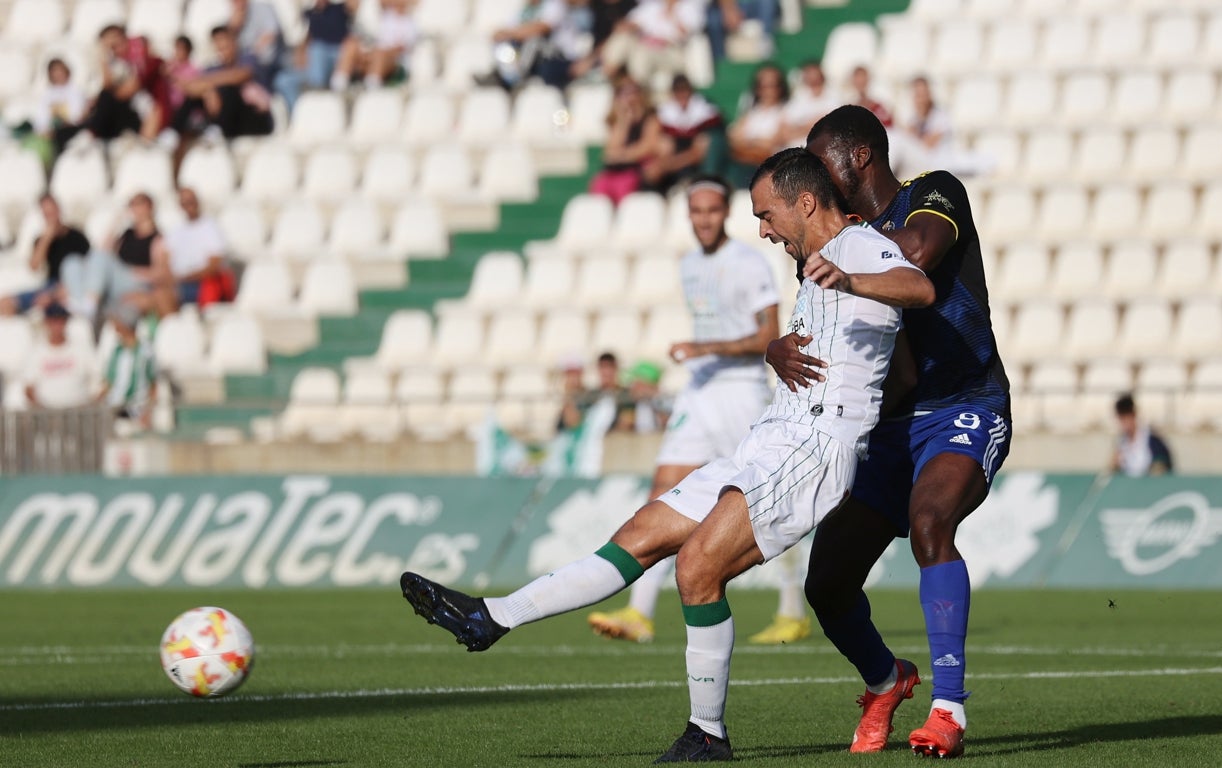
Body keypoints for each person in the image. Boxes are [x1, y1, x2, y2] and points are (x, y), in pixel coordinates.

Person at [398, 147, 935, 761]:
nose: (761, 228)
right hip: (769, 437)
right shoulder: (810, 263)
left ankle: (708, 734)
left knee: (698, 570)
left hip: (813, 448)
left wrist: (855, 292)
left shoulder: (860, 248)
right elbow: (861, 356)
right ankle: (491, 618)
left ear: (805, 202)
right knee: (643, 531)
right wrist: (775, 352)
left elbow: (917, 286)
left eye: (766, 214)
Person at [768, 105, 1012, 758]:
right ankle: (886, 680)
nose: (813, 178)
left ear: (859, 159)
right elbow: (873, 357)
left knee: (931, 523)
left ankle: (948, 711)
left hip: (966, 403)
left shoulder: (932, 192)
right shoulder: (832, 247)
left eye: (823, 163)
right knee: (828, 586)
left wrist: (847, 251)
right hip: (893, 422)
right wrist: (780, 351)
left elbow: (925, 253)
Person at [586, 175, 785, 645]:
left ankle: (793, 607)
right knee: (663, 490)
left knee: (765, 498)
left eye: (712, 210)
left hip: (740, 390)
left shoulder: (749, 263)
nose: (704, 219)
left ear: (726, 212)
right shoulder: (689, 264)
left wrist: (704, 347)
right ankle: (640, 612)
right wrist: (699, 355)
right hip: (700, 391)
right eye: (696, 212)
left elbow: (768, 338)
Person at [59, 192, 163, 320]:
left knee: (100, 258)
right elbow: (101, 250)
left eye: (138, 204)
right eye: (132, 205)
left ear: (149, 207)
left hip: (135, 280)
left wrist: (134, 271)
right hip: (116, 277)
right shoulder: (127, 234)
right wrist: (116, 223)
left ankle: (89, 302)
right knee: (72, 262)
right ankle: (81, 302)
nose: (134, 209)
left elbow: (160, 273)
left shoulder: (157, 238)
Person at [171, 26, 275, 141]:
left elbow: (240, 75)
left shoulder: (249, 58)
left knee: (228, 89)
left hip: (254, 117)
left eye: (224, 41)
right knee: (195, 97)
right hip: (228, 119)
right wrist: (209, 91)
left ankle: (216, 128)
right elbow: (191, 87)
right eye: (217, 42)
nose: (221, 46)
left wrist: (208, 85)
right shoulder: (213, 67)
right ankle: (174, 133)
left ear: (234, 41)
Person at [0, 195, 90, 316]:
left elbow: (90, 267)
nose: (50, 217)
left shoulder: (76, 236)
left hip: (71, 286)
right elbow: (34, 267)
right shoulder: (41, 239)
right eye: (46, 214)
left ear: (58, 210)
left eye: (52, 212)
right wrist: (47, 238)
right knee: (5, 303)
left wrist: (56, 293)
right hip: (49, 286)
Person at [156, 188, 234, 313]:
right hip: (179, 283)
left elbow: (214, 265)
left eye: (191, 201)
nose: (189, 205)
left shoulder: (210, 227)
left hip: (200, 284)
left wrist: (183, 278)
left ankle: (175, 328)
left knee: (161, 296)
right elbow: (165, 261)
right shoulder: (176, 231)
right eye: (185, 202)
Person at [644, 73, 724, 193]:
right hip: (673, 159)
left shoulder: (706, 111)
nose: (682, 94)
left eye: (685, 90)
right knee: (663, 146)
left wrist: (667, 165)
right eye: (678, 90)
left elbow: (698, 152)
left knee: (704, 142)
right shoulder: (664, 112)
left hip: (693, 163)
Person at [588, 75, 662, 204]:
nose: (629, 97)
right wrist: (624, 121)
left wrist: (622, 156)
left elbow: (648, 146)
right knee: (599, 185)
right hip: (617, 169)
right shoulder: (617, 121)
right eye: (623, 92)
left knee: (625, 187)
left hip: (636, 168)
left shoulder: (650, 118)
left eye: (632, 91)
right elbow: (611, 148)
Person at [600, 0, 708, 85]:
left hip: (673, 51)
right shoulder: (653, 6)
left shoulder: (690, 8)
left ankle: (634, 89)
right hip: (645, 43)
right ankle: (605, 76)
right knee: (623, 38)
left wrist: (672, 15)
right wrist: (631, 29)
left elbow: (686, 34)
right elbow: (629, 24)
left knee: (642, 54)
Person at [276, 0, 356, 108]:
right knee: (283, 80)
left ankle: (317, 93)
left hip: (335, 61)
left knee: (318, 49)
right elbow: (302, 42)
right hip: (312, 66)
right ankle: (297, 112)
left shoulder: (339, 9)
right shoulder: (308, 14)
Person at [22, 303, 97, 410]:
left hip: (78, 411)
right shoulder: (37, 351)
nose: (58, 325)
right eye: (54, 321)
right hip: (47, 413)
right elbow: (28, 387)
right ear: (46, 323)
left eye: (61, 321)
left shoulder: (81, 348)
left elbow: (98, 378)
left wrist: (91, 403)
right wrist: (41, 408)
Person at [726, 63, 789, 188]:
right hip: (745, 162)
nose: (767, 90)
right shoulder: (752, 113)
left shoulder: (786, 110)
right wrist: (756, 142)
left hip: (770, 165)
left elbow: (774, 142)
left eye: (772, 86)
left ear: (780, 87)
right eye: (762, 86)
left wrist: (748, 142)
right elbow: (733, 137)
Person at [332, 0, 417, 91]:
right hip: (374, 56)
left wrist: (380, 52)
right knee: (351, 45)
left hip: (394, 62)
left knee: (379, 52)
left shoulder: (411, 24)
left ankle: (372, 85)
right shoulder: (385, 18)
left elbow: (401, 49)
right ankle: (339, 84)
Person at [97, 305, 158, 429]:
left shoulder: (146, 350)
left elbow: (153, 385)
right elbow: (109, 382)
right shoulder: (116, 351)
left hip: (137, 411)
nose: (114, 326)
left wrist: (148, 412)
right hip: (114, 410)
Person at [32, 58, 87, 160]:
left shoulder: (75, 91)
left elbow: (77, 115)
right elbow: (41, 117)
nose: (58, 74)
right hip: (51, 133)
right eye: (54, 71)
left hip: (69, 129)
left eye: (60, 70)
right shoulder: (47, 94)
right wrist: (45, 129)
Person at [570, 0, 638, 80]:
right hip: (594, 53)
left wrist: (591, 59)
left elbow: (619, 33)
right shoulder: (595, 5)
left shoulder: (631, 5)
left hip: (618, 54)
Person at [1110, 393, 1173, 476]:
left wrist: (1157, 468)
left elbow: (1163, 465)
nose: (1123, 423)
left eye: (1126, 417)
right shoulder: (1121, 443)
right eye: (1120, 418)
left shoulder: (1152, 440)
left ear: (1133, 415)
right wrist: (1115, 466)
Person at [229, 0, 285, 91]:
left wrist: (253, 52)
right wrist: (234, 28)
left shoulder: (262, 9)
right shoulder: (233, 17)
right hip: (245, 64)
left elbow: (271, 34)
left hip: (267, 63)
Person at [781, 60, 838, 146]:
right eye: (808, 72)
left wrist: (799, 128)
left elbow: (827, 126)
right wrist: (808, 127)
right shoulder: (798, 98)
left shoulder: (834, 97)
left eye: (813, 72)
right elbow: (784, 129)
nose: (811, 75)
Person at [705, 0, 780, 62]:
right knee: (713, 21)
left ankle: (765, 40)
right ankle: (721, 62)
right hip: (726, 5)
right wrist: (729, 10)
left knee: (767, 2)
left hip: (755, 4)